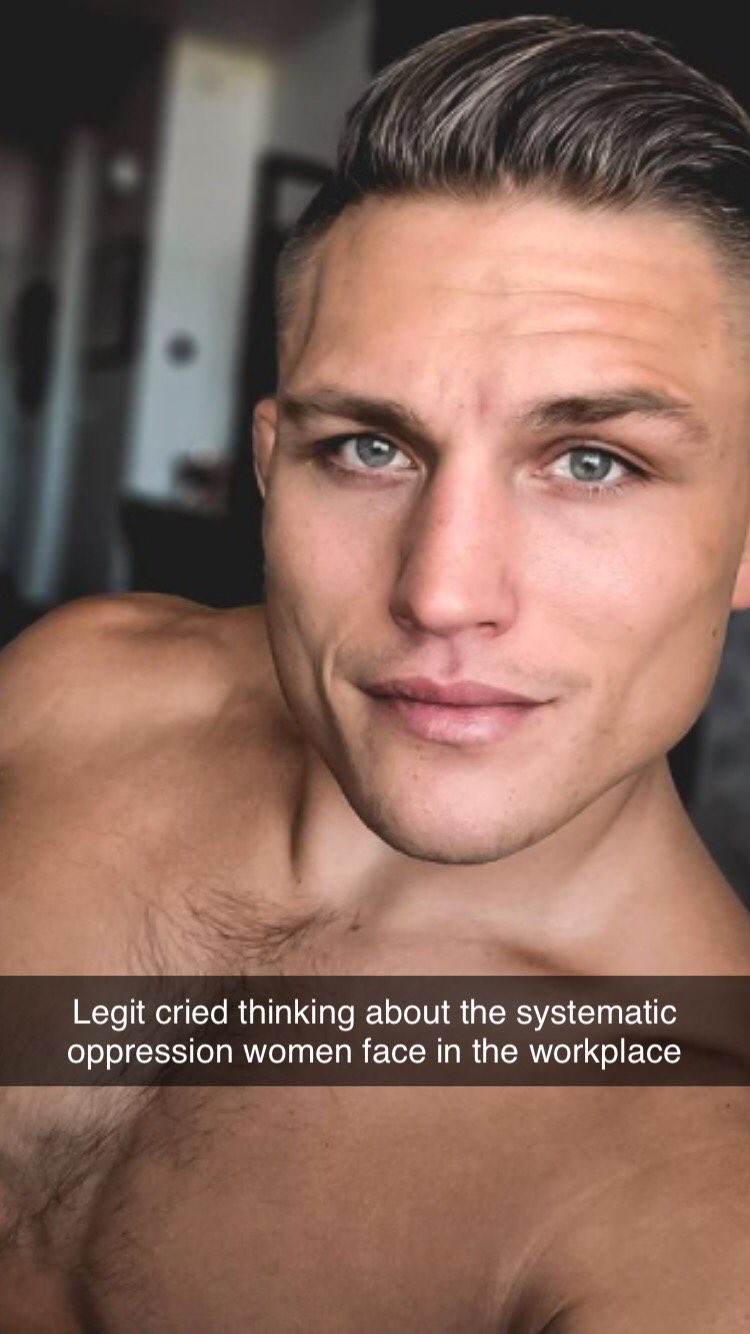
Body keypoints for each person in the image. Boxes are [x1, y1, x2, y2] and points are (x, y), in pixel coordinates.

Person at [2, 15, 750, 1331]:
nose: (440, 590)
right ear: (269, 463)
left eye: (593, 461)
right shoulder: (73, 688)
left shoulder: (700, 1181)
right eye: (368, 447)